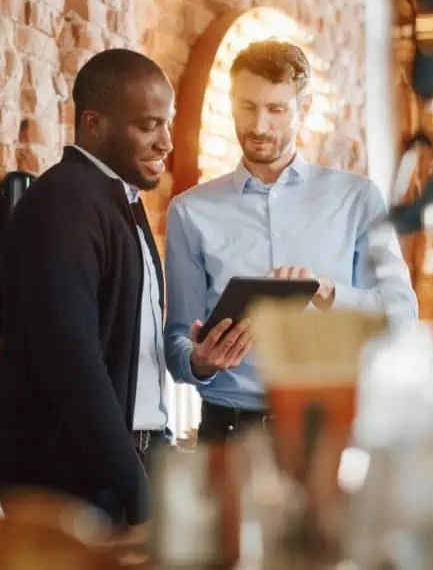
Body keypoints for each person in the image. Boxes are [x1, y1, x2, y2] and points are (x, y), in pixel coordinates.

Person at [164, 40, 418, 442]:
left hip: (332, 428)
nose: (259, 125)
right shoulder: (189, 211)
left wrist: (331, 292)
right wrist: (200, 361)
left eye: (276, 109)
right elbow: (177, 339)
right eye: (247, 106)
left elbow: (402, 315)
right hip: (229, 433)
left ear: (306, 107)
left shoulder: (357, 198)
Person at [0, 48, 184, 534]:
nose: (166, 143)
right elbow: (71, 362)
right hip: (69, 480)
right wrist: (138, 492)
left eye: (167, 124)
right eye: (148, 126)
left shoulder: (119, 201)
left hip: (113, 468)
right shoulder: (65, 203)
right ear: (93, 124)